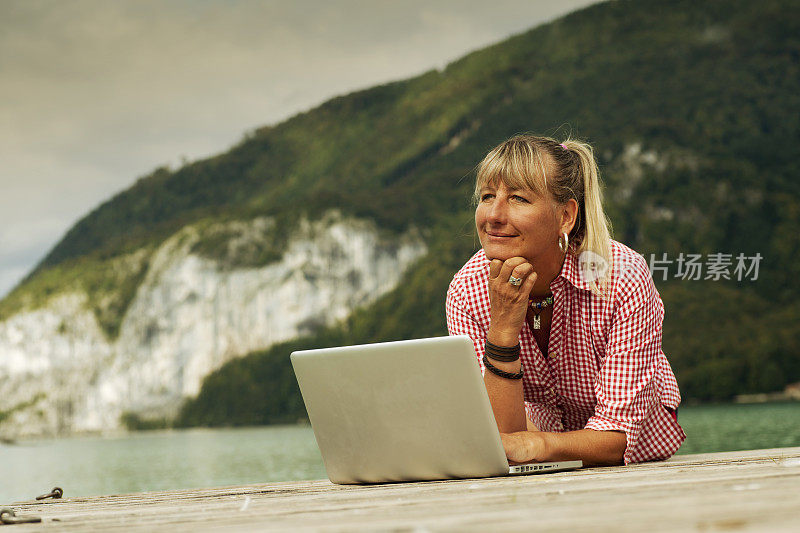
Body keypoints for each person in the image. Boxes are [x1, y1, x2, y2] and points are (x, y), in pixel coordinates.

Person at [445, 134, 685, 466]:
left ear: (565, 217)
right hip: (532, 452)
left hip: (625, 455)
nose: (494, 215)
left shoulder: (621, 277)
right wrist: (502, 328)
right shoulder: (467, 290)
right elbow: (499, 439)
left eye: (517, 198)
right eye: (487, 196)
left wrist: (537, 446)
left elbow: (618, 436)